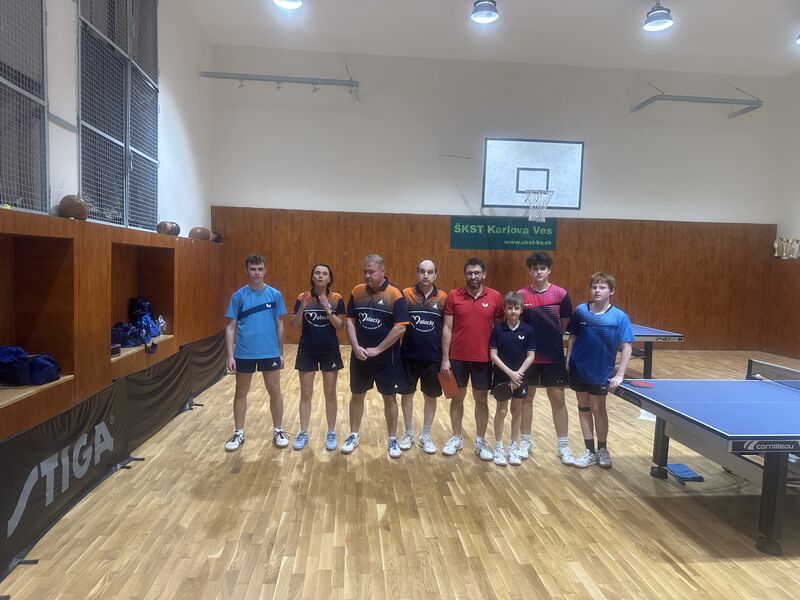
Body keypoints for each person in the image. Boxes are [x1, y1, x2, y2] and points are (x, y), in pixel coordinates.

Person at [342, 254, 409, 458]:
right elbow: (350, 321)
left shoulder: (395, 294)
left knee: (390, 398)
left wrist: (378, 349)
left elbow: (400, 328)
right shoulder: (357, 291)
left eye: (371, 272)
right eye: (365, 271)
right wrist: (355, 347)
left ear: (382, 271)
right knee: (357, 396)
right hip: (360, 357)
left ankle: (392, 439)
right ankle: (353, 435)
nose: (367, 275)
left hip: (387, 360)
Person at [566, 272, 634, 469]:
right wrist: (567, 362)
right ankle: (589, 451)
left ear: (611, 291)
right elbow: (572, 337)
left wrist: (620, 374)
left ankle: (602, 449)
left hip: (601, 372)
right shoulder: (581, 311)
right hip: (579, 369)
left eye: (602, 287)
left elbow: (627, 346)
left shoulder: (619, 317)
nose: (597, 290)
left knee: (598, 409)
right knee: (583, 407)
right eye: (594, 287)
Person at [223, 254, 289, 452]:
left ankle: (278, 430)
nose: (257, 273)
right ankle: (239, 432)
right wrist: (230, 355)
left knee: (274, 390)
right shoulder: (238, 296)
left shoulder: (275, 295)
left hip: (270, 352)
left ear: (265, 270)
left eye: (260, 269)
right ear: (247, 270)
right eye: (253, 269)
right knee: (241, 392)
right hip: (244, 353)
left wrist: (281, 353)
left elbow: (279, 325)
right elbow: (230, 327)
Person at [440, 257, 504, 460]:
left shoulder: (495, 297)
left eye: (477, 272)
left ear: (484, 274)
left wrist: (497, 357)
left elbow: (499, 330)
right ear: (465, 275)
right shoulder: (454, 295)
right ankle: (456, 438)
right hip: (457, 357)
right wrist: (445, 358)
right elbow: (447, 328)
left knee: (481, 399)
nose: (473, 276)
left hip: (483, 359)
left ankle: (480, 441)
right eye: (470, 273)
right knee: (456, 398)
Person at [518, 251, 575, 465]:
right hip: (528, 358)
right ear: (530, 271)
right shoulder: (521, 295)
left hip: (553, 357)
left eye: (542, 268)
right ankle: (525, 442)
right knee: (526, 399)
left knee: (558, 400)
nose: (539, 272)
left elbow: (564, 325)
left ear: (549, 270)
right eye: (535, 268)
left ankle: (563, 445)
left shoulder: (560, 294)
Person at [289, 263, 345, 451]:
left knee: (330, 393)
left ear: (329, 279)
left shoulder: (337, 299)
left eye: (324, 274)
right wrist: (303, 308)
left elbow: (340, 326)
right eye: (317, 273)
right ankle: (303, 432)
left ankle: (331, 432)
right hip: (307, 349)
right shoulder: (302, 297)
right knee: (306, 393)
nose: (321, 276)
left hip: (329, 350)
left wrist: (328, 309)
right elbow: (294, 325)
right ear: (312, 277)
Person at [399, 259, 448, 454]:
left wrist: (446, 358)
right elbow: (398, 325)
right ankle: (408, 432)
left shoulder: (443, 297)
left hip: (433, 358)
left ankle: (426, 435)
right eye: (422, 271)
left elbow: (447, 329)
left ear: (435, 275)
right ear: (417, 273)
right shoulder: (406, 294)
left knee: (430, 397)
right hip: (408, 355)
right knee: (407, 395)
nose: (425, 276)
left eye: (429, 272)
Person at [489, 291, 536, 466]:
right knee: (501, 411)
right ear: (505, 309)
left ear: (522, 309)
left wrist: (518, 375)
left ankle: (512, 447)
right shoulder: (498, 329)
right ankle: (498, 447)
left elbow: (531, 356)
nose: (513, 311)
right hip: (502, 376)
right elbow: (493, 355)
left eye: (516, 308)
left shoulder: (528, 330)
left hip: (520, 378)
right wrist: (511, 374)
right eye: (510, 308)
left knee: (517, 411)